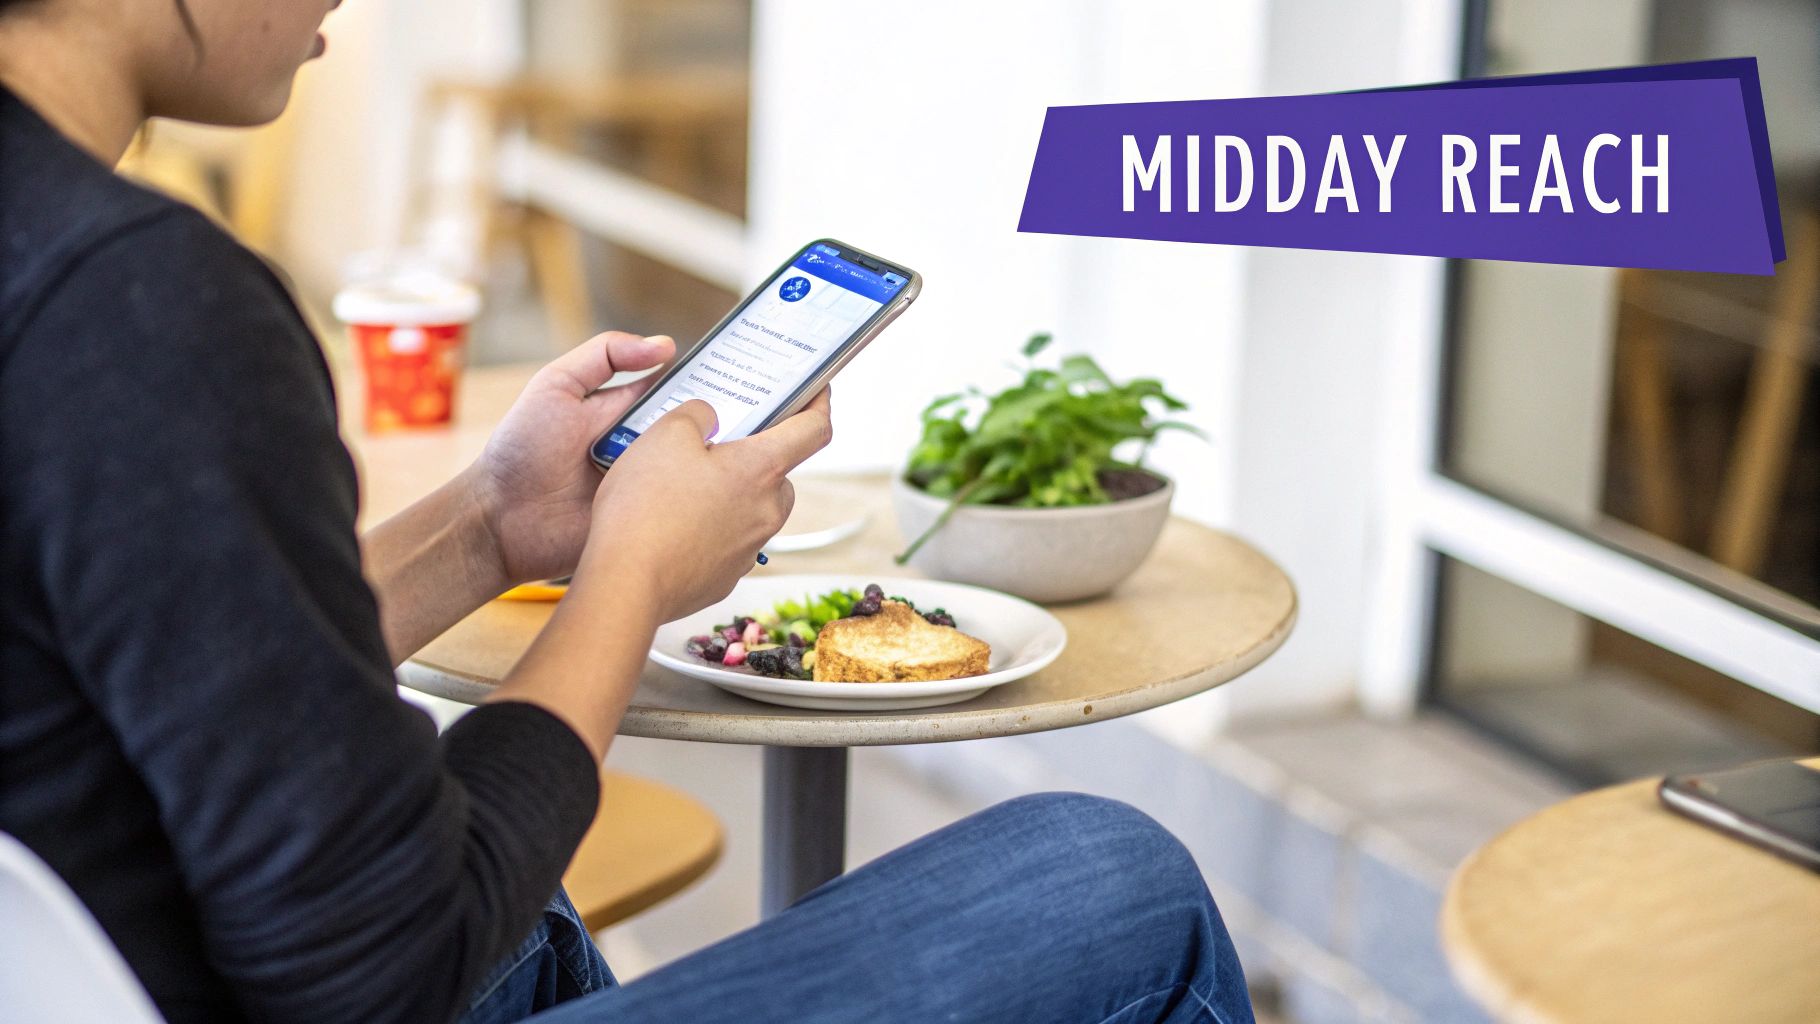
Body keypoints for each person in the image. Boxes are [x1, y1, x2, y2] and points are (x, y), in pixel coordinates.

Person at [0, 0, 1256, 1020]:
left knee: (513, 896)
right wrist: (628, 576)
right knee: (1109, 877)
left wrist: (493, 525)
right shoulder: (140, 307)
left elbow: (162, 664)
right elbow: (382, 968)